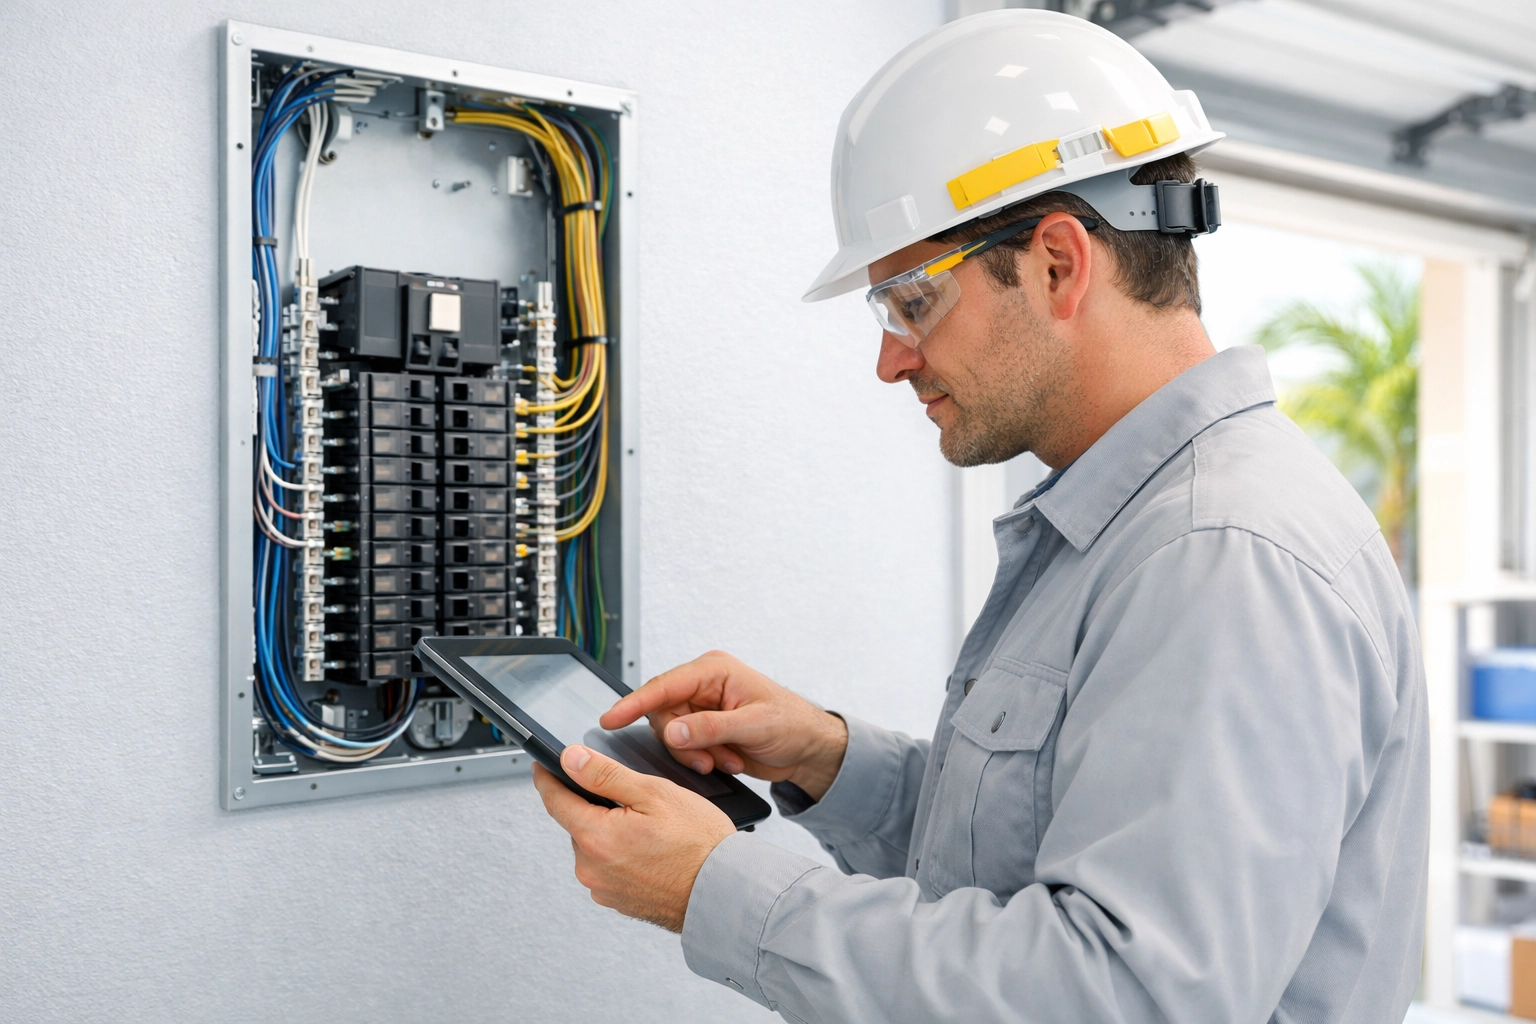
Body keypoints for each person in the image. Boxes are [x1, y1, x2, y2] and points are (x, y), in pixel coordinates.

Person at [532, 10, 1428, 1023]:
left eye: (913, 301)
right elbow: (1036, 862)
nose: (891, 358)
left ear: (1057, 263)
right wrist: (829, 761)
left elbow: (1120, 992)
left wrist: (714, 890)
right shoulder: (1131, 529)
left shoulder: (1218, 554)